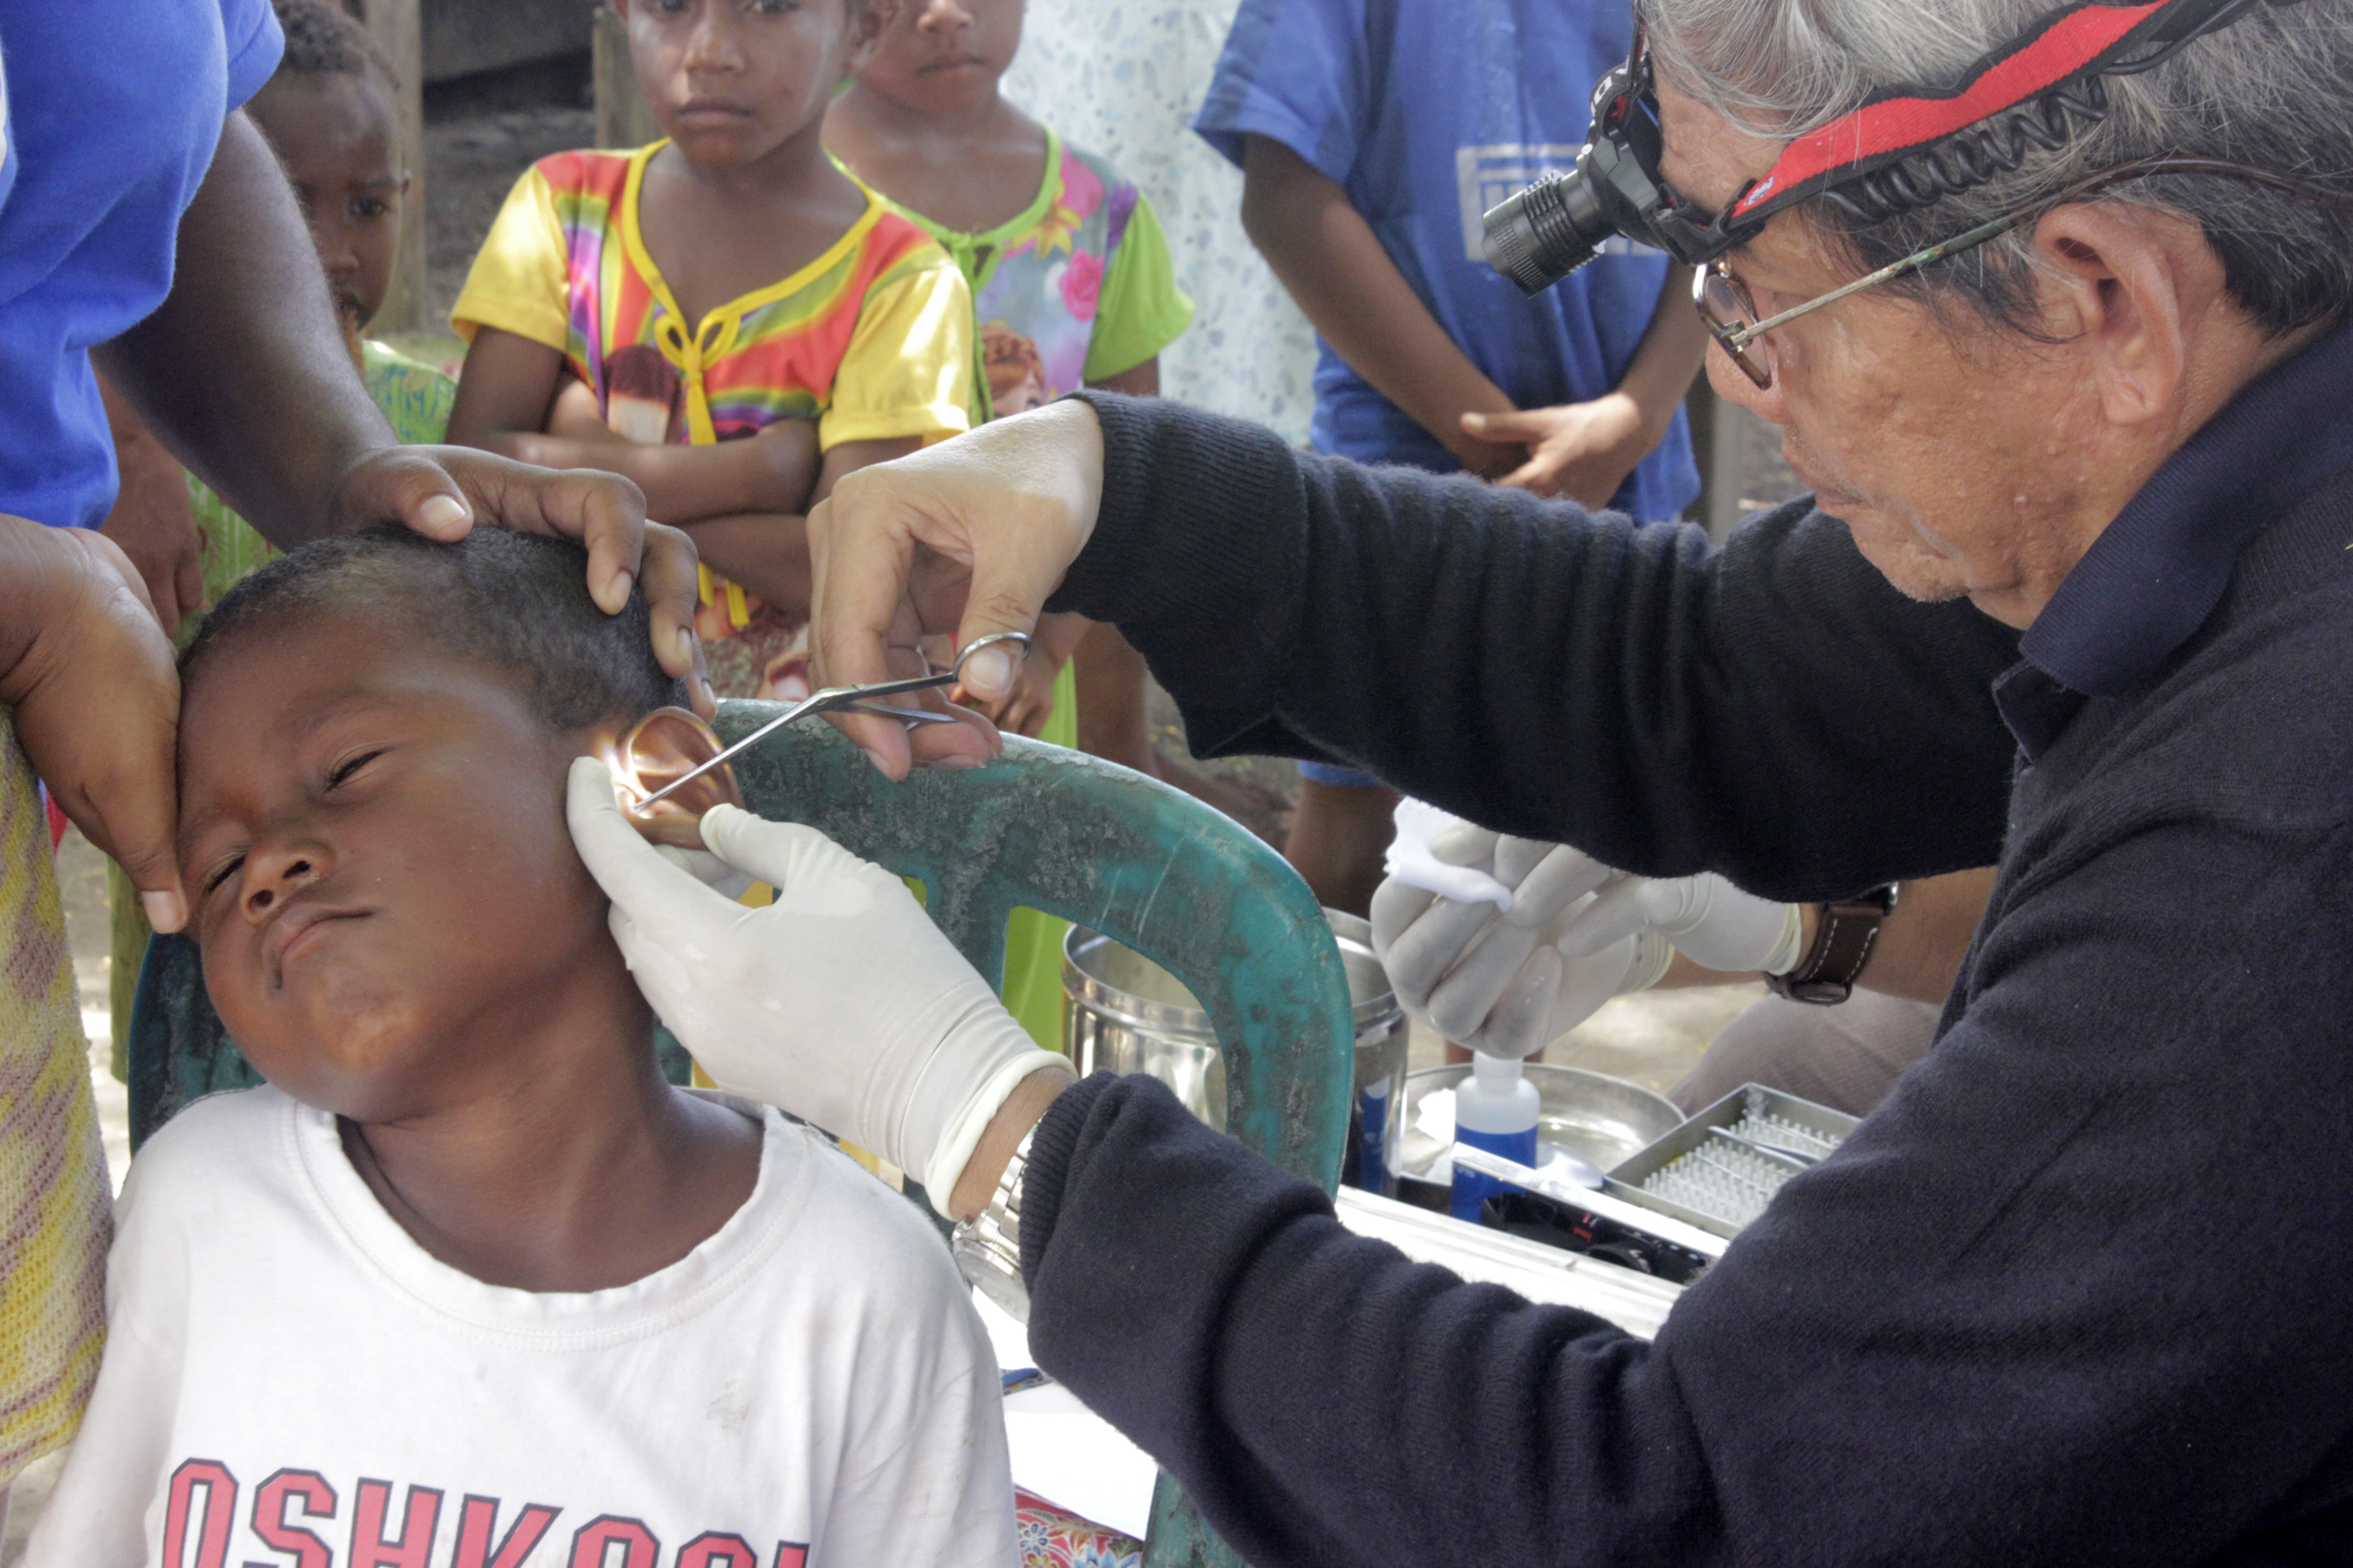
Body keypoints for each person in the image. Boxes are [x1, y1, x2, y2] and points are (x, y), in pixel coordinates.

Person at [588, 0, 2353, 1556]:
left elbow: (1675, 1508)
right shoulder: (2206, 464)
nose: (1742, 375)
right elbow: (1707, 668)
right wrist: (1118, 484)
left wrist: (984, 1117)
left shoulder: (2282, 838)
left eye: (1761, 297)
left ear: (2101, 299)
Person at [26, 527, 1016, 1566]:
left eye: (349, 768)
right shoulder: (205, 1206)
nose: (267, 867)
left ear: (661, 786)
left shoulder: (856, 1299)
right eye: (220, 870)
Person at [1195, 0, 1710, 914]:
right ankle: (1330, 1022)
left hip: (1619, 473)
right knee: (1361, 818)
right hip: (1404, 467)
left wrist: (1633, 419)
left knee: (1567, 850)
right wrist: (1487, 438)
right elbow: (1283, 195)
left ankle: (1503, 1030)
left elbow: (1733, 197)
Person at [103, 0, 464, 1081]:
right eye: (292, 203)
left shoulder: (428, 420)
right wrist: (130, 442)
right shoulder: (138, 461)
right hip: (195, 877)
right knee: (191, 1090)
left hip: (381, 886)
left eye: (367, 205)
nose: (332, 250)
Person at [447, 0, 974, 706]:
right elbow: (470, 473)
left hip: (793, 730)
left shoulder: (902, 281)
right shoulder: (563, 208)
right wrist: (756, 473)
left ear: (864, 28)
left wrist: (587, 462)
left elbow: (849, 572)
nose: (709, 51)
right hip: (567, 708)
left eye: (769, 6)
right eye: (671, 5)